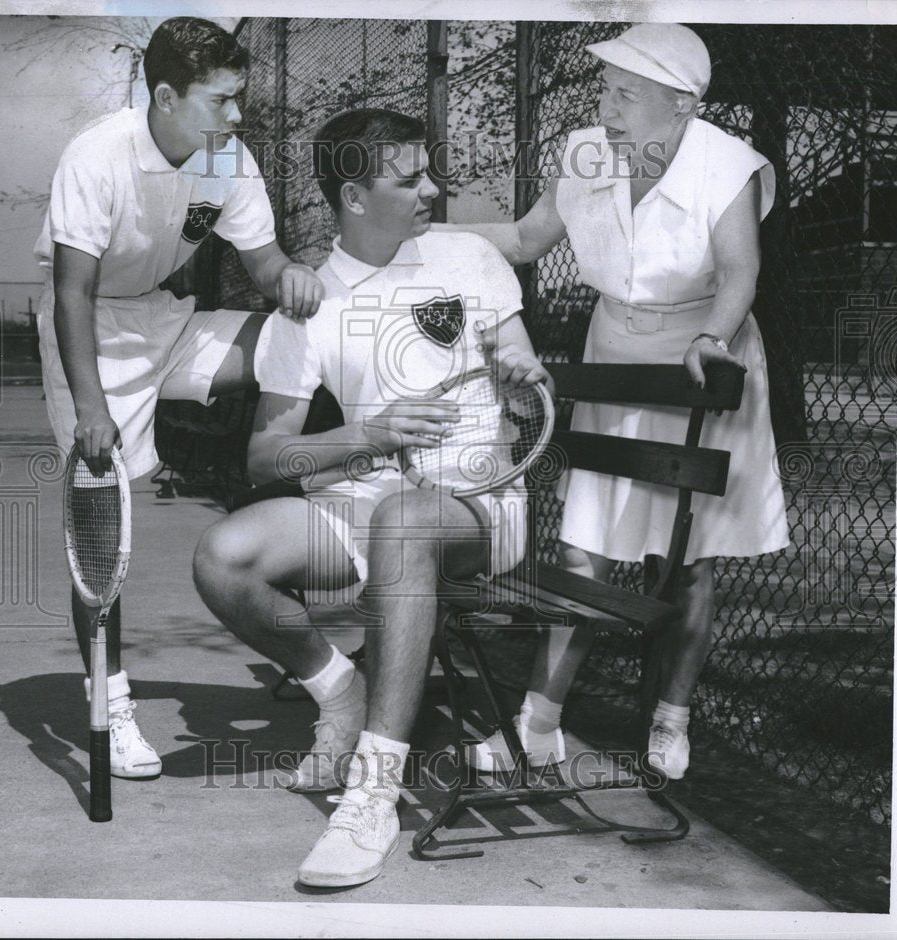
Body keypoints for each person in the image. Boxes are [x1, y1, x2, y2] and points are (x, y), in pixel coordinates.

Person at [192, 107, 550, 888]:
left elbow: (523, 368)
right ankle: (338, 690)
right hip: (368, 503)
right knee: (225, 557)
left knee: (403, 518)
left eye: (427, 171)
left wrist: (523, 376)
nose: (433, 188)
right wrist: (372, 435)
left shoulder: (466, 258)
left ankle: (374, 790)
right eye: (409, 178)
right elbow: (266, 455)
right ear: (354, 198)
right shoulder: (311, 299)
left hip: (478, 505)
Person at [444, 23, 789, 780]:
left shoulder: (726, 165)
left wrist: (713, 337)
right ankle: (539, 724)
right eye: (606, 87)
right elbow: (529, 239)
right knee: (583, 546)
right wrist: (424, 236)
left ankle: (672, 718)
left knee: (690, 558)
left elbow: (739, 272)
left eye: (626, 93)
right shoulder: (585, 152)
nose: (607, 105)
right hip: (614, 350)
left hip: (705, 358)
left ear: (684, 105)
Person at [35, 17, 324, 780]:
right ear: (165, 97)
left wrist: (290, 278)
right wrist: (92, 405)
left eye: (239, 99)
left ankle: (311, 607)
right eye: (221, 100)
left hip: (167, 319)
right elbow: (72, 292)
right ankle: (114, 704)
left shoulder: (227, 158)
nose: (236, 116)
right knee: (100, 517)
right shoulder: (96, 154)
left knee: (302, 347)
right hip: (89, 332)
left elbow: (264, 263)